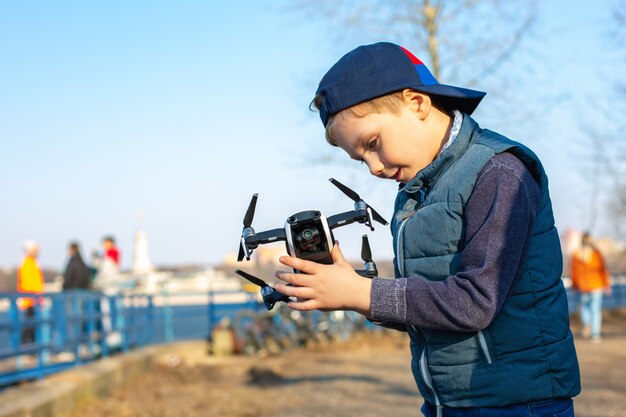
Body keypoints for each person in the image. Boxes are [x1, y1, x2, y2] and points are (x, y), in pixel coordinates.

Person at [273, 42, 580, 417]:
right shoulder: (415, 194)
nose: (373, 168)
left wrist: (363, 294)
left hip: (514, 403)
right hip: (445, 402)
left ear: (416, 103)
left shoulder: (499, 172)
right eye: (360, 158)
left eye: (373, 144)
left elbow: (474, 302)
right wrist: (348, 291)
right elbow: (431, 306)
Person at [571, 232, 611, 342]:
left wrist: (574, 285)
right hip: (596, 285)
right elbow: (603, 270)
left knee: (585, 308)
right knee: (595, 310)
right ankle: (595, 334)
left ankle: (586, 325)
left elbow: (574, 273)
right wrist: (606, 285)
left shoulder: (576, 255)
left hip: (583, 286)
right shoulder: (596, 254)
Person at [17, 240, 44, 344]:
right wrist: (37, 297)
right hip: (29, 301)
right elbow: (29, 284)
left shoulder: (32, 263)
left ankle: (30, 350)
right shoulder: (28, 264)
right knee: (28, 328)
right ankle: (26, 350)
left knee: (31, 328)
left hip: (32, 300)